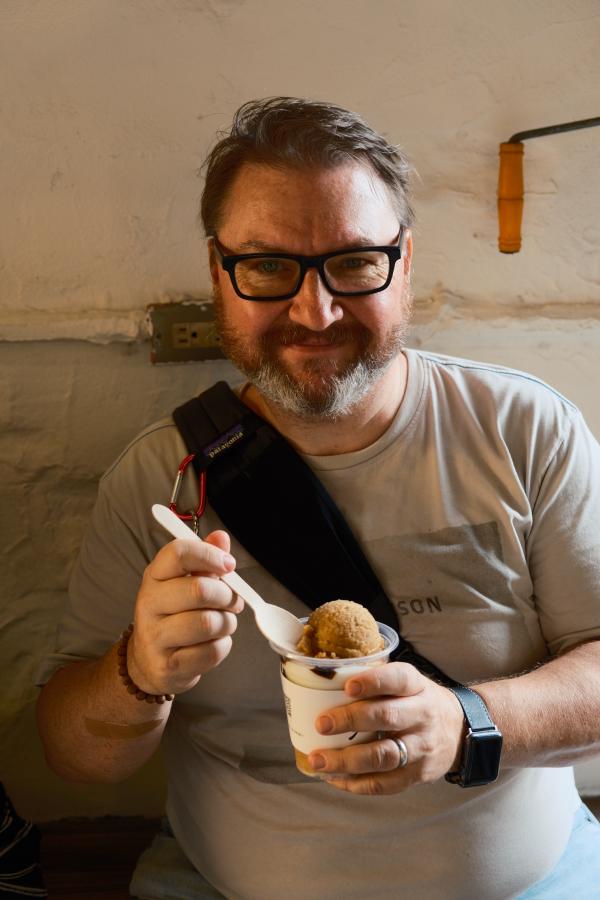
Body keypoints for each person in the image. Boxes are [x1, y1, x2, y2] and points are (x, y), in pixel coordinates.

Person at [36, 97, 600, 900]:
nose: (316, 310)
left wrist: (463, 721)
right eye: (268, 266)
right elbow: (72, 757)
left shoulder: (523, 430)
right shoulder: (162, 478)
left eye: (354, 261)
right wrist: (139, 671)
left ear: (404, 261)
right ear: (217, 273)